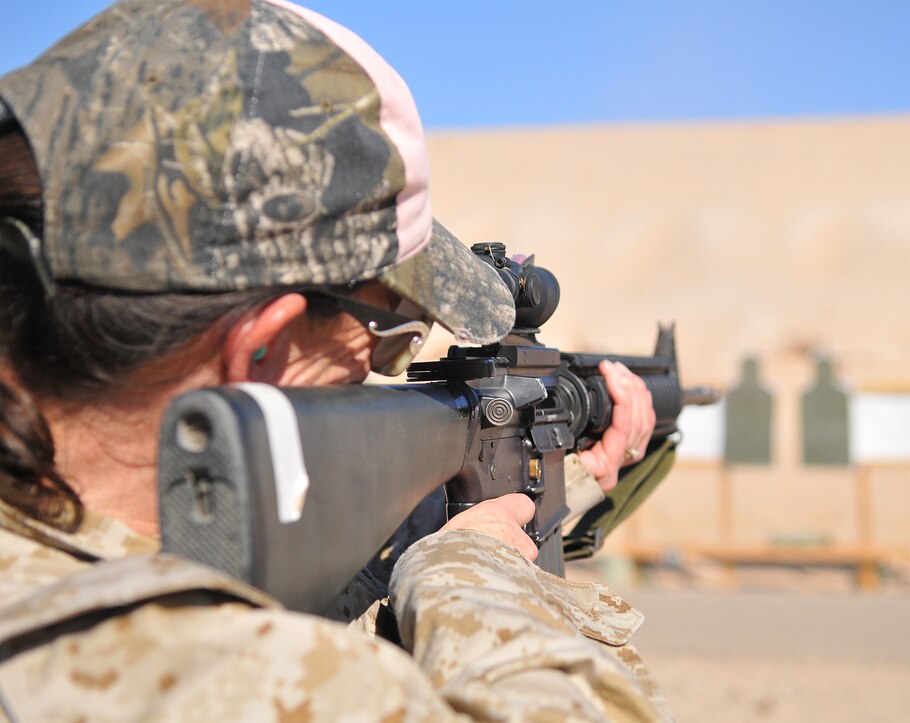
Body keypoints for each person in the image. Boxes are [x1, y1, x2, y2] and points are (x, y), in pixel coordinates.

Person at [0, 0, 672, 720]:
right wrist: (473, 580)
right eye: (391, 337)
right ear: (258, 349)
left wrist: (551, 485)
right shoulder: (248, 682)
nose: (382, 373)